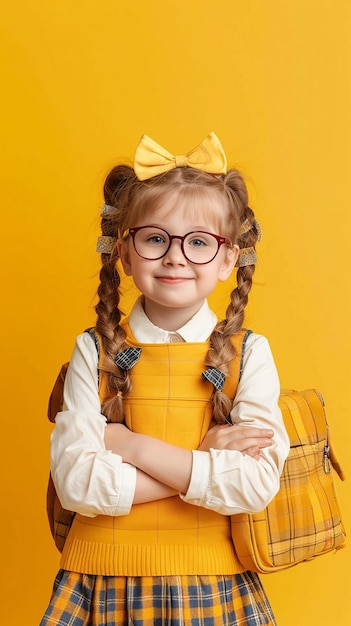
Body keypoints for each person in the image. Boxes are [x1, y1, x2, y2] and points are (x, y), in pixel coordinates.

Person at [40, 132, 290, 625]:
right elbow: (76, 484)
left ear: (227, 259)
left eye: (199, 242)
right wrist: (207, 459)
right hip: (101, 582)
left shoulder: (250, 354)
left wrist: (132, 448)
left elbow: (257, 484)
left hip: (214, 584)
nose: (175, 256)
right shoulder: (95, 351)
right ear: (125, 253)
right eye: (156, 238)